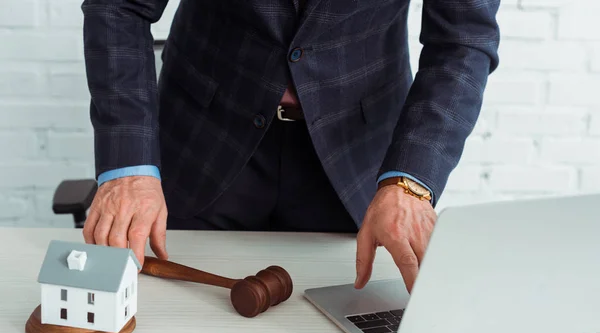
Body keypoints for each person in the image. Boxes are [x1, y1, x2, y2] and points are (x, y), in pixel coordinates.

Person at [80, 0, 500, 293]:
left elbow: (462, 39)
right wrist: (129, 167)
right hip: (202, 145)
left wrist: (412, 179)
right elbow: (119, 6)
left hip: (357, 161)